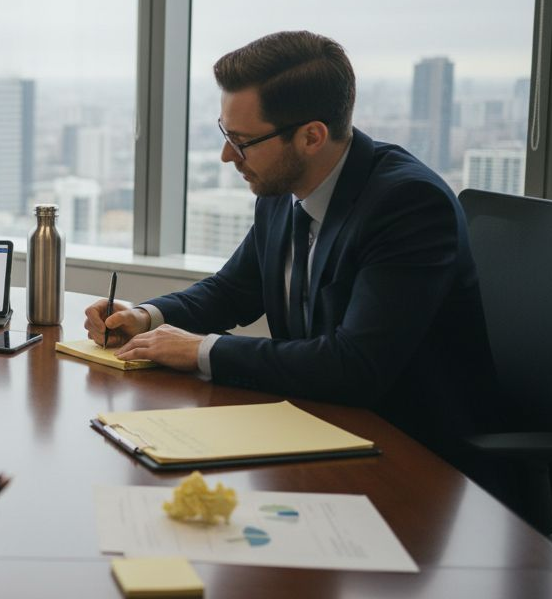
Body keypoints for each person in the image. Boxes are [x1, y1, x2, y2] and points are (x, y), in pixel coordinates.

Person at [84, 31, 502, 468]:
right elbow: (232, 290)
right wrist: (146, 318)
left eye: (242, 141)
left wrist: (200, 350)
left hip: (411, 456)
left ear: (311, 137)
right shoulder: (282, 188)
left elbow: (355, 366)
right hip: (313, 426)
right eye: (226, 133)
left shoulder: (408, 206)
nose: (227, 155)